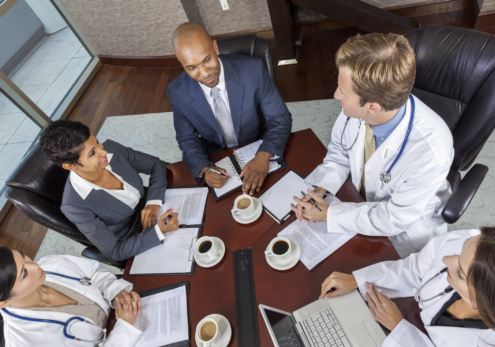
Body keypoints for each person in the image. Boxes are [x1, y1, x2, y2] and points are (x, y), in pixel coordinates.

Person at [291, 33, 454, 258]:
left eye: (343, 92)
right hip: (360, 201)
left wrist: (331, 215)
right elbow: (340, 149)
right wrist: (321, 188)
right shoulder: (359, 109)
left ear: (372, 107)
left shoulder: (431, 151)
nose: (336, 95)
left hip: (405, 230)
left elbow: (393, 218)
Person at [319, 228, 495, 347]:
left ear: (483, 300)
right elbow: (416, 268)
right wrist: (358, 280)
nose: (446, 259)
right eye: (460, 249)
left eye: (460, 273)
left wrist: (400, 330)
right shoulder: (477, 244)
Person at [167, 22, 292, 195]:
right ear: (180, 62)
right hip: (216, 155)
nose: (204, 74)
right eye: (192, 67)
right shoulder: (177, 92)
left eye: (207, 60)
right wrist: (203, 168)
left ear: (215, 47)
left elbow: (280, 118)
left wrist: (264, 155)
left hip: (257, 144)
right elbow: (187, 138)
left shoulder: (254, 70)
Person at [0, 248, 143, 347]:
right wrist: (124, 329)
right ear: (4, 303)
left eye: (23, 256)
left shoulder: (51, 263)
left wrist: (117, 293)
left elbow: (93, 271)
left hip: (129, 318)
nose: (35, 266)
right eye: (24, 274)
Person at [39, 120, 179, 262]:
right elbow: (114, 252)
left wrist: (153, 202)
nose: (103, 151)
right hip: (136, 236)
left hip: (157, 202)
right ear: (70, 166)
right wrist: (159, 231)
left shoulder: (112, 148)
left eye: (97, 142)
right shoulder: (74, 206)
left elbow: (156, 164)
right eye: (92, 153)